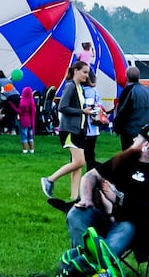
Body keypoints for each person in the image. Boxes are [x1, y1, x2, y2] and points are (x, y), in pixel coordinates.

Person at [61, 126, 149, 263]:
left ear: (147, 145)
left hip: (128, 224)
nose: (133, 139)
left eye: (138, 138)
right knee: (76, 214)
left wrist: (119, 199)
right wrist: (86, 198)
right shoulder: (124, 160)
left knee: (126, 228)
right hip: (101, 213)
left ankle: (88, 263)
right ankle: (88, 259)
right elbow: (90, 176)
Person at [43, 61, 91, 200]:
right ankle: (50, 179)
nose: (86, 76)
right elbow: (62, 107)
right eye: (84, 72)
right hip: (70, 130)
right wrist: (82, 111)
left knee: (77, 166)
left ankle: (75, 196)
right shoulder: (70, 86)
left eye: (87, 73)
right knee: (79, 162)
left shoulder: (79, 87)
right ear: (76, 71)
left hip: (79, 129)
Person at [113, 65, 149, 151]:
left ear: (126, 76)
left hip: (129, 129)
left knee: (128, 154)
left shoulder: (129, 91)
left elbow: (123, 111)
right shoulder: (148, 90)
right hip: (144, 127)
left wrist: (116, 127)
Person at [20, 86, 38, 154]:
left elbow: (20, 111)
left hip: (24, 121)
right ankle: (32, 150)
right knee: (30, 137)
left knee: (24, 136)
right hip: (31, 121)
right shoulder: (32, 102)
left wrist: (12, 105)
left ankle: (25, 150)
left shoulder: (23, 102)